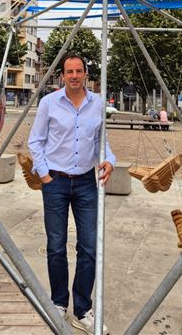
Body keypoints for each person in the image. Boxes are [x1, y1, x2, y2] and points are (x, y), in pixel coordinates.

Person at [28, 53, 115, 334]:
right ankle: (58, 303)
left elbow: (102, 141)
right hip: (56, 182)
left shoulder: (97, 104)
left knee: (88, 247)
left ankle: (82, 309)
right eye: (69, 71)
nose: (74, 75)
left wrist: (109, 160)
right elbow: (35, 141)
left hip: (87, 183)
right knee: (56, 245)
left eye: (79, 71)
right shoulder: (48, 103)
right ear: (62, 75)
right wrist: (44, 175)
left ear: (86, 74)